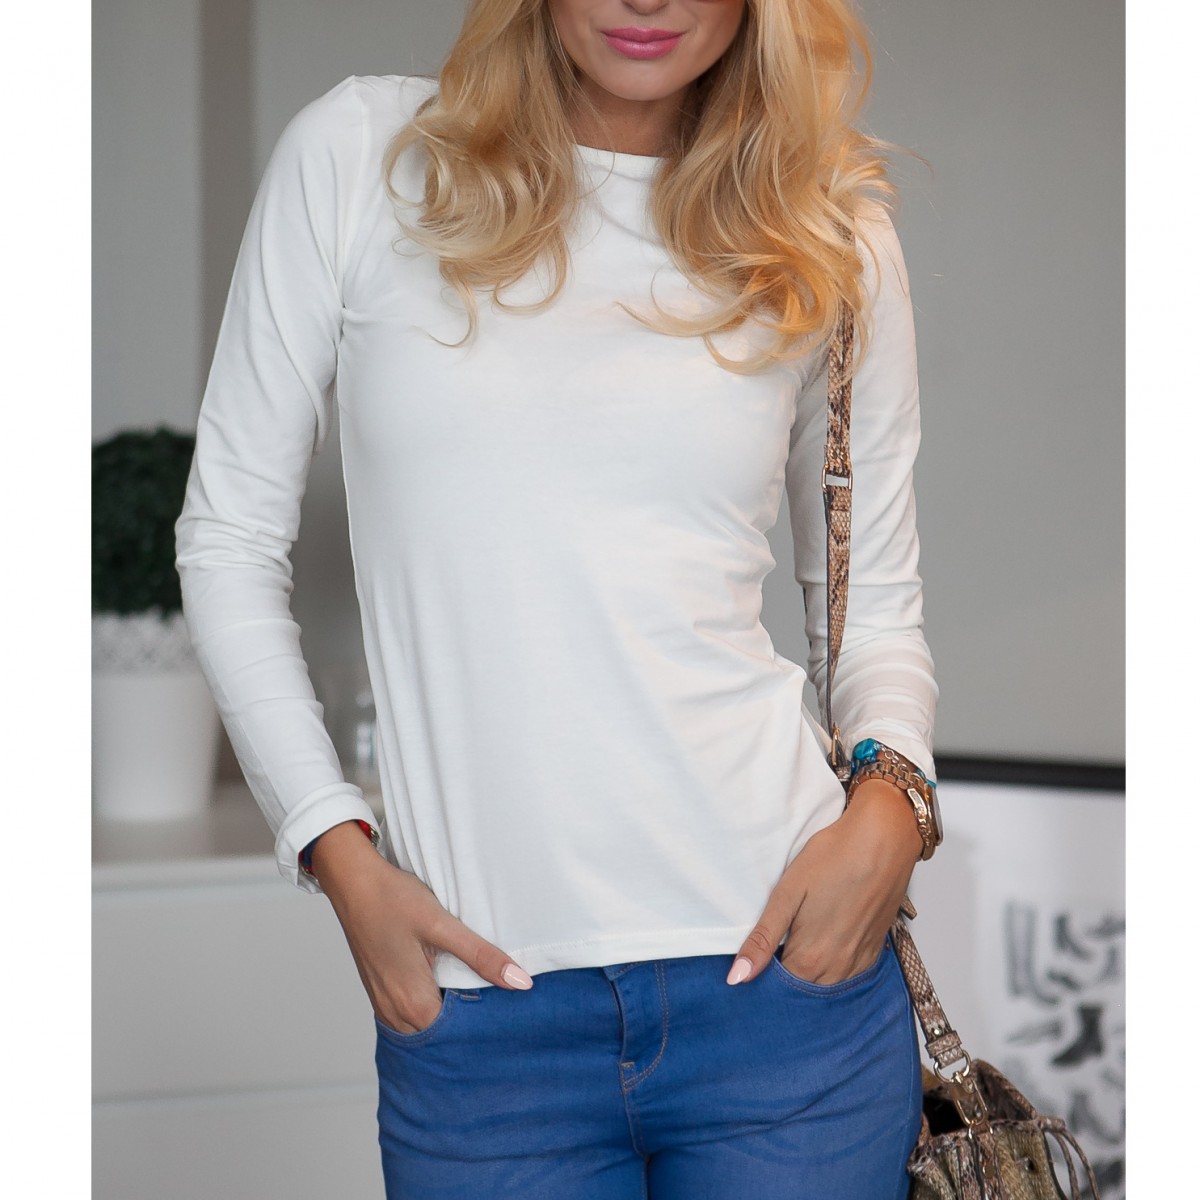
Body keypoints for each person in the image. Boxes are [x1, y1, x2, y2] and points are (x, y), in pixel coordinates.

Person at [175, 1, 940, 1196]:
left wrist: (892, 811)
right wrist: (334, 847)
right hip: (485, 1022)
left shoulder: (824, 225)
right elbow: (227, 542)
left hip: (786, 1002)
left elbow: (873, 605)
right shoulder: (363, 160)